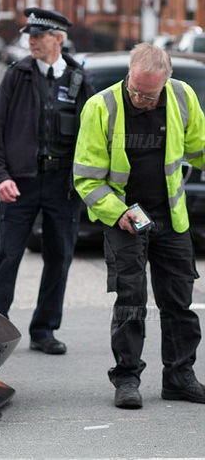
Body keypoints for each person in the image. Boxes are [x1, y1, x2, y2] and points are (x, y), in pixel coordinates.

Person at [74, 43, 205, 409]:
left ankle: (180, 377)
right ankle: (127, 378)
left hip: (170, 217)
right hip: (124, 219)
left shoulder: (182, 96)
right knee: (131, 300)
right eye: (134, 89)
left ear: (166, 82)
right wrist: (117, 212)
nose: (139, 99)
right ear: (129, 74)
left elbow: (198, 148)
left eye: (148, 95)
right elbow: (86, 178)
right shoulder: (101, 106)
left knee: (179, 300)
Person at [0, 7, 92, 355]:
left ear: (57, 39)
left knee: (59, 257)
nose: (31, 41)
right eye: (29, 35)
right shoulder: (17, 75)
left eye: (38, 35)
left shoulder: (79, 79)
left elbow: (93, 137)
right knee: (8, 255)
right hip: (21, 184)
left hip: (63, 184)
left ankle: (44, 330)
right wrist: (0, 177)